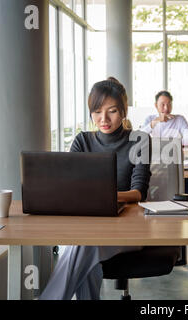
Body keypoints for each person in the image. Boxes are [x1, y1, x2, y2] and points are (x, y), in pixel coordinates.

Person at [39, 77, 151, 300]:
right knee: (86, 247)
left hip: (128, 228)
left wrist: (104, 196)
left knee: (82, 244)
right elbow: (69, 187)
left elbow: (139, 192)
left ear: (124, 111)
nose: (104, 119)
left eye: (112, 111)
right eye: (97, 111)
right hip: (88, 225)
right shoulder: (82, 141)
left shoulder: (140, 140)